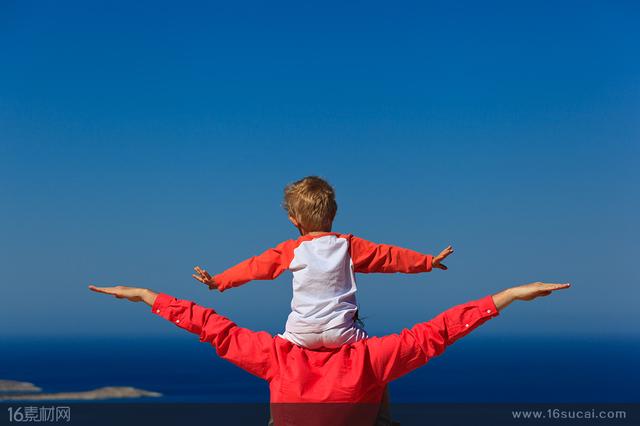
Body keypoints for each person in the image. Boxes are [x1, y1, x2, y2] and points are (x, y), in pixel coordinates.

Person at [88, 281, 570, 426]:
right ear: (354, 324)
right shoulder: (371, 358)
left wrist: (148, 297)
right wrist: (503, 298)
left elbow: (213, 327)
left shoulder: (277, 356)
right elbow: (437, 333)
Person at [191, 176, 454, 350]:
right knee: (376, 363)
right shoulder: (348, 246)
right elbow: (389, 257)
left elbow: (254, 267)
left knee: (276, 364)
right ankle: (383, 419)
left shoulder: (291, 250)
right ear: (334, 213)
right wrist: (428, 261)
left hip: (300, 333)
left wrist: (218, 281)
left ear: (294, 220)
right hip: (341, 332)